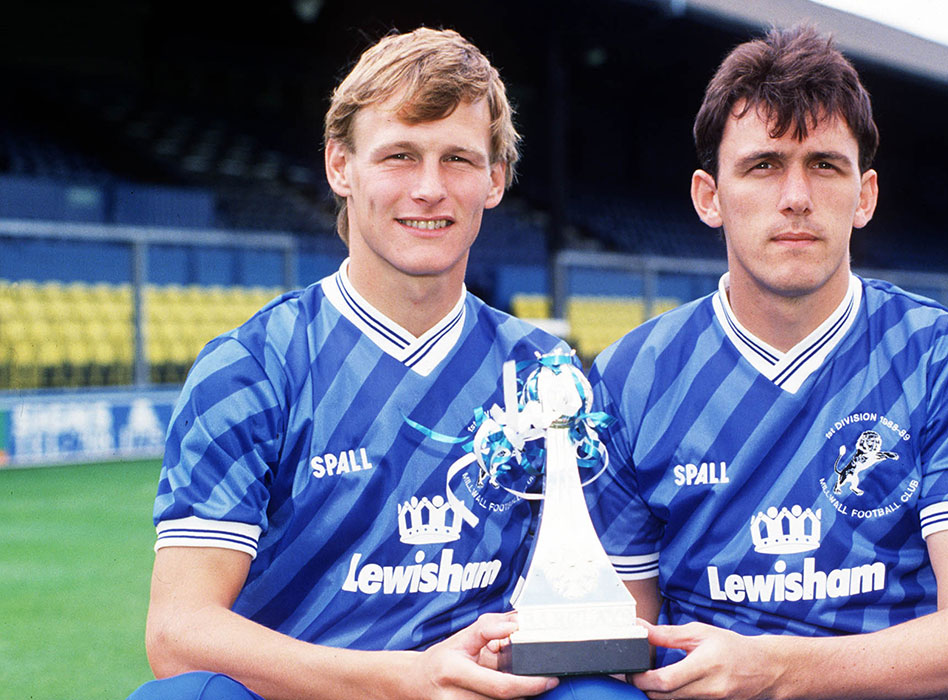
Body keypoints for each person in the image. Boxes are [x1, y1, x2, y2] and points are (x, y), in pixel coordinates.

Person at [131, 27, 640, 700]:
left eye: (457, 159)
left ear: (494, 179)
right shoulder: (250, 366)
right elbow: (178, 631)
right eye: (400, 155)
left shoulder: (547, 373)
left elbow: (607, 600)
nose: (429, 188)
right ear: (340, 166)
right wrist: (406, 679)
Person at [586, 25, 948, 700]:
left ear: (865, 195)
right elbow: (625, 635)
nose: (796, 196)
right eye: (763, 165)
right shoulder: (632, 377)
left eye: (824, 165)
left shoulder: (943, 355)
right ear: (709, 196)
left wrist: (774, 671)